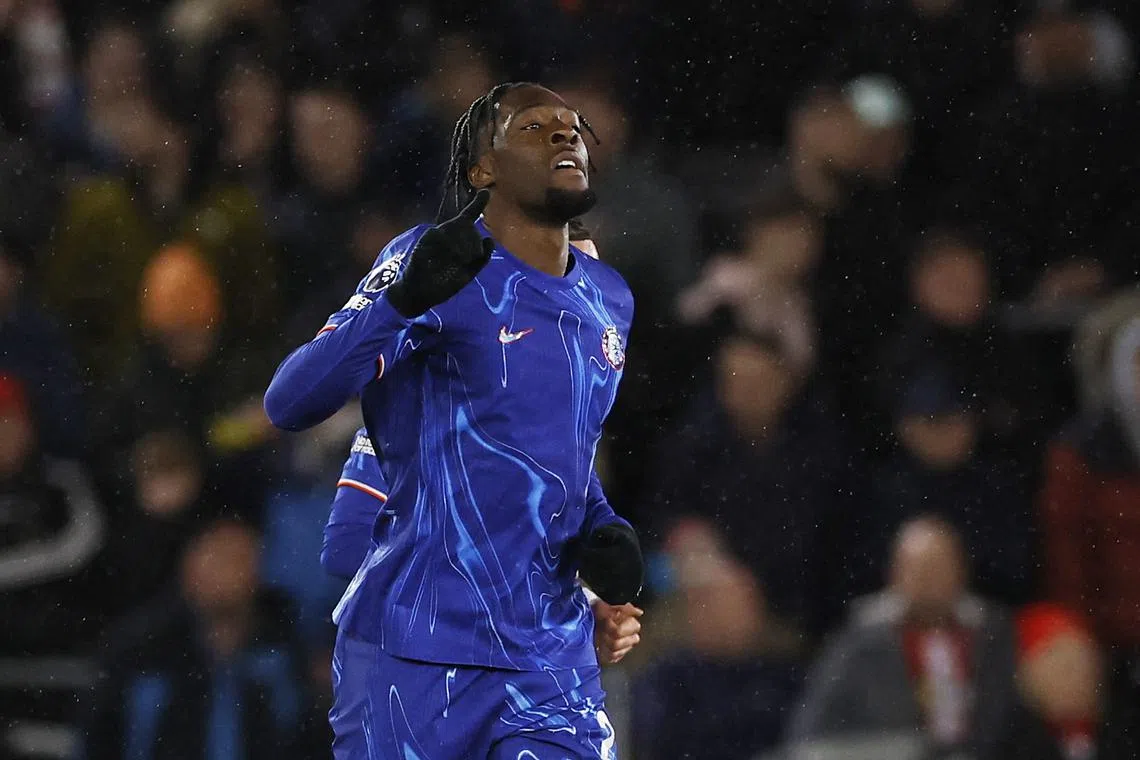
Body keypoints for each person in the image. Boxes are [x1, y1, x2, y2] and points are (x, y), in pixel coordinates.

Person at [264, 82, 643, 759]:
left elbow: (557, 454)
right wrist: (397, 305)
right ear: (482, 170)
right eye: (533, 127)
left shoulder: (608, 300)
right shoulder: (433, 262)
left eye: (572, 125)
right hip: (415, 661)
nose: (565, 135)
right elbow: (290, 404)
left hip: (547, 662)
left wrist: (598, 532)